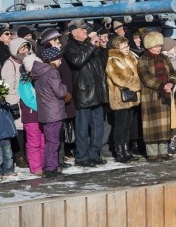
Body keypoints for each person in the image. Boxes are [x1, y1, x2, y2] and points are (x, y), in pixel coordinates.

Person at [63, 19, 109, 167]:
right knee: (82, 127)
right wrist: (91, 45)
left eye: (85, 29)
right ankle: (81, 156)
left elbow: (103, 63)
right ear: (73, 32)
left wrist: (102, 48)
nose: (85, 31)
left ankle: (95, 154)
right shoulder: (70, 47)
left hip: (96, 91)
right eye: (82, 29)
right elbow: (77, 61)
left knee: (98, 126)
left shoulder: (89, 45)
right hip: (83, 92)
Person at [137, 31, 176, 161]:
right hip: (151, 96)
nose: (159, 48)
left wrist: (171, 82)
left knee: (164, 125)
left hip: (164, 96)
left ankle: (163, 151)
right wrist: (161, 85)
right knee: (152, 126)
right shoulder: (143, 59)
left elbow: (172, 72)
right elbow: (145, 77)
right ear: (149, 46)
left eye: (159, 45)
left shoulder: (164, 58)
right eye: (156, 46)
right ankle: (152, 153)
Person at [32, 47, 69, 177]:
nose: (61, 62)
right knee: (54, 141)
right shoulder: (53, 73)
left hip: (45, 111)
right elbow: (60, 92)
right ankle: (50, 168)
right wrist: (65, 87)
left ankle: (50, 165)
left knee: (49, 140)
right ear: (52, 60)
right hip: (54, 112)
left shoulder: (39, 72)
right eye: (59, 60)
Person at [106, 36, 142, 162]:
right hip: (120, 97)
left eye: (127, 46)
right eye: (124, 46)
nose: (127, 48)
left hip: (131, 97)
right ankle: (119, 151)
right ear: (117, 48)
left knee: (127, 125)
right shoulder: (113, 60)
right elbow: (119, 78)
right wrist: (137, 84)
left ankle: (126, 150)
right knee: (120, 126)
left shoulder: (131, 58)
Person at [2, 37, 33, 169]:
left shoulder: (28, 61)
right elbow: (8, 87)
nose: (25, 50)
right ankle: (19, 155)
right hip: (18, 101)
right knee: (19, 130)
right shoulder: (10, 64)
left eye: (27, 47)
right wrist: (13, 104)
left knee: (29, 128)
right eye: (22, 48)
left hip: (29, 100)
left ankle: (29, 154)